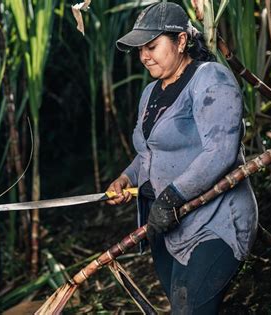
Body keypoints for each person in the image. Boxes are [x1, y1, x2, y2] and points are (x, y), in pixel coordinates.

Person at [106, 2, 258, 314]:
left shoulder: (210, 78)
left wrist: (171, 196)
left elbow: (221, 151)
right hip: (167, 225)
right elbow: (149, 153)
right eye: (140, 49)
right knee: (181, 306)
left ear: (181, 41)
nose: (145, 56)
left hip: (214, 221)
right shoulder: (150, 93)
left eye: (152, 46)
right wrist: (126, 178)